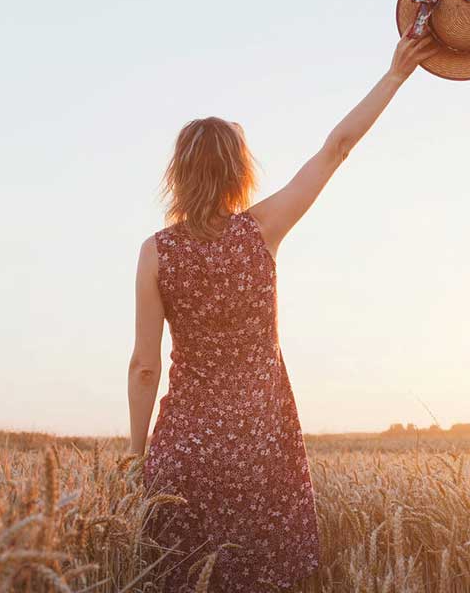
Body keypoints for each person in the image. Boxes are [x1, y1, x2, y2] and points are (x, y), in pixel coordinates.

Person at [126, 34, 438, 591]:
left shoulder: (156, 252)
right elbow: (336, 148)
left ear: (178, 175)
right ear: (238, 173)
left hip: (185, 449)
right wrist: (394, 76)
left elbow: (144, 366)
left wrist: (135, 459)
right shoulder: (262, 229)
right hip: (260, 444)